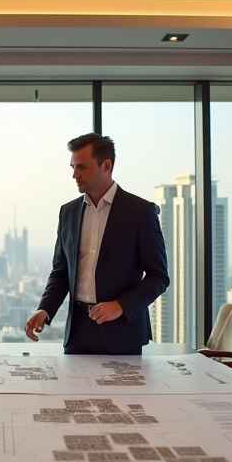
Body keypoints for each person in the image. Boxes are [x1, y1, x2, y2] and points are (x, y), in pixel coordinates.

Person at [25, 133, 169, 354]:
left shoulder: (140, 212)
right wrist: (45, 308)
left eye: (82, 167)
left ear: (106, 165)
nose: (74, 175)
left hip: (122, 331)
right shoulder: (68, 212)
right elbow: (61, 271)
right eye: (72, 167)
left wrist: (121, 306)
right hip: (78, 332)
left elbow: (158, 276)